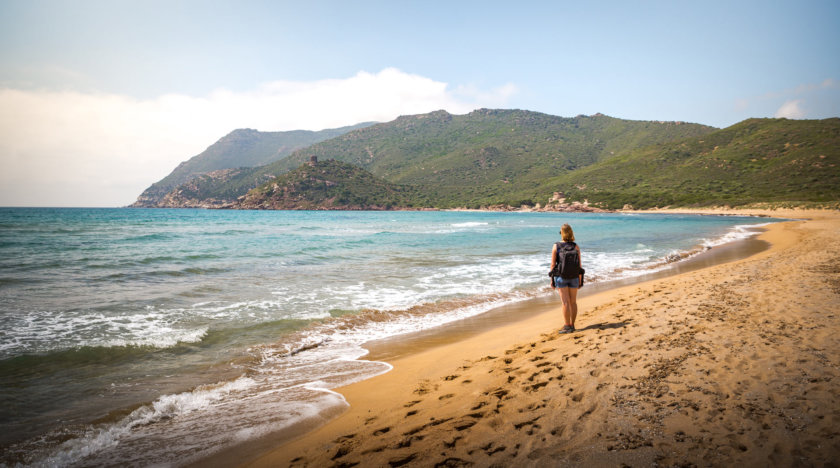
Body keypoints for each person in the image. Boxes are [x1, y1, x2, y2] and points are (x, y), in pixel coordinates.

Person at [551, 223, 582, 334]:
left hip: (561, 277)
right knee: (573, 302)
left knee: (565, 303)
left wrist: (552, 281)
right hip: (574, 277)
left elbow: (553, 265)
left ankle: (566, 326)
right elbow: (579, 266)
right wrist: (580, 280)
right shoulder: (575, 246)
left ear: (562, 233)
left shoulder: (556, 246)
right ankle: (573, 325)